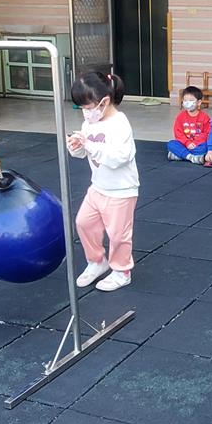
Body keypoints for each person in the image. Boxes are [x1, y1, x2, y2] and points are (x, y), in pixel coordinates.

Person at [66, 70, 138, 292]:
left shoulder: (119, 123)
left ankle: (122, 271)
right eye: (82, 109)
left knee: (118, 234)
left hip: (121, 190)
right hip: (98, 187)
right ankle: (97, 261)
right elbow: (85, 152)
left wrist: (89, 145)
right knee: (83, 223)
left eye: (88, 108)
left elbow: (120, 157)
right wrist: (76, 147)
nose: (86, 113)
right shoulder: (89, 124)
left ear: (104, 102)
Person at [167, 85, 211, 164]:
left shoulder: (204, 117)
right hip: (184, 144)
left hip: (197, 145)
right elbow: (178, 133)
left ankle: (180, 155)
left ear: (199, 102)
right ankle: (191, 157)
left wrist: (195, 143)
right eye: (185, 100)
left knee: (206, 146)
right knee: (171, 144)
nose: (187, 103)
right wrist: (187, 143)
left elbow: (206, 133)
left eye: (191, 100)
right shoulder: (180, 117)